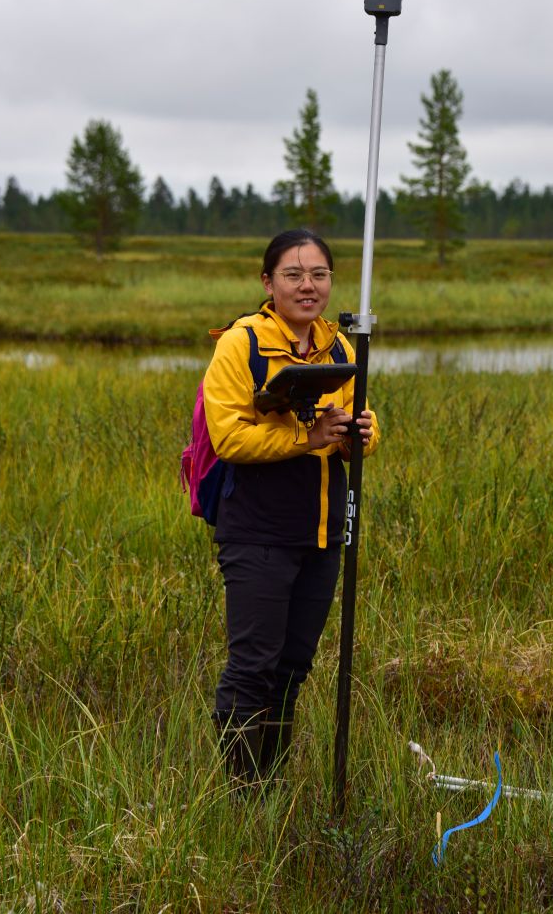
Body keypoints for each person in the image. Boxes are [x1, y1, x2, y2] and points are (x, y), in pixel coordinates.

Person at [203, 228, 380, 784]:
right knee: (253, 668)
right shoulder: (241, 344)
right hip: (257, 532)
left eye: (319, 275)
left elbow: (359, 430)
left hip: (322, 533)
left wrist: (362, 433)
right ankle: (242, 796)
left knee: (292, 670)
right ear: (268, 282)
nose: (308, 286)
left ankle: (271, 788)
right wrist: (307, 438)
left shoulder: (341, 347)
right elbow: (228, 438)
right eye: (294, 275)